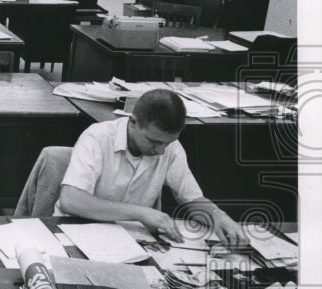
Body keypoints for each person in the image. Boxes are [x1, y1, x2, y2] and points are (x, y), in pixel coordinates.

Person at [56, 88, 247, 246]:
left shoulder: (170, 147)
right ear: (133, 122)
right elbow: (71, 200)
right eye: (154, 141)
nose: (161, 151)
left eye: (167, 143)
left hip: (129, 239)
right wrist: (140, 213)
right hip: (77, 232)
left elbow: (191, 197)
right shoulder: (97, 137)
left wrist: (218, 215)